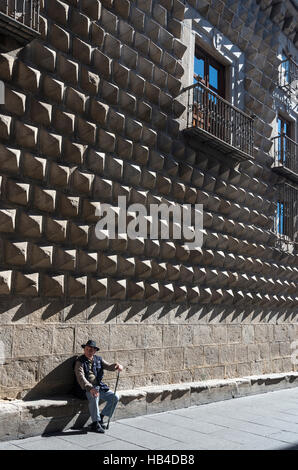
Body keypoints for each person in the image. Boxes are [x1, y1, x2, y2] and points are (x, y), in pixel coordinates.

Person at [74, 339, 123, 433]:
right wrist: (90, 388)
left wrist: (117, 366)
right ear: (84, 349)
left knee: (114, 397)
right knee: (94, 396)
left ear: (95, 351)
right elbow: (81, 377)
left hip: (99, 386)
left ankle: (100, 417)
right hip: (85, 388)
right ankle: (95, 423)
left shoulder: (98, 359)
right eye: (87, 349)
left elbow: (109, 366)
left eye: (91, 350)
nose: (89, 352)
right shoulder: (80, 361)